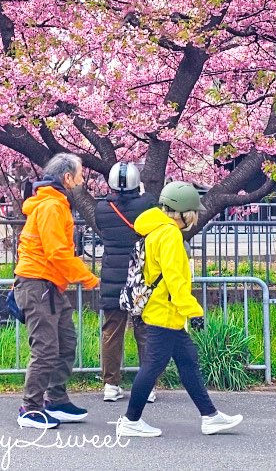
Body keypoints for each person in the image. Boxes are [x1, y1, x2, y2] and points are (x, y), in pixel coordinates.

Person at [115, 181, 243, 438]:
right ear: (183, 212)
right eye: (193, 211)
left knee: (188, 362)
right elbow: (175, 280)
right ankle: (130, 420)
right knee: (152, 366)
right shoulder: (170, 235)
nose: (195, 216)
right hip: (165, 312)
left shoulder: (155, 230)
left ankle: (210, 416)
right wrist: (194, 311)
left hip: (163, 311)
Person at [12, 153, 100, 430]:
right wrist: (88, 279)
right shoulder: (51, 206)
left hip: (48, 285)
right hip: (38, 284)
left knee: (65, 341)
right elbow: (57, 252)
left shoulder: (55, 203)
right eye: (80, 174)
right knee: (47, 348)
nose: (82, 179)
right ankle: (31, 408)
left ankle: (57, 399)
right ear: (67, 178)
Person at [96, 161, 157, 403]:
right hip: (139, 276)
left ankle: (111, 384)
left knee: (112, 331)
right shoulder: (148, 203)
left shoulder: (101, 209)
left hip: (112, 277)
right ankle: (148, 386)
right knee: (144, 330)